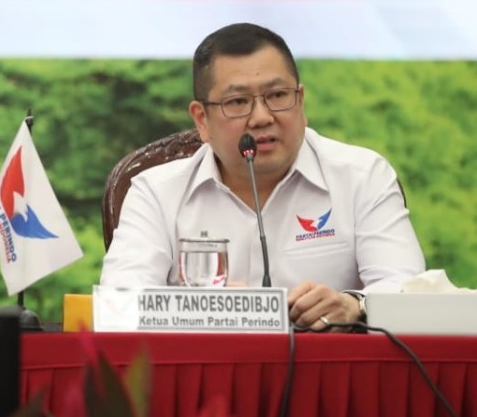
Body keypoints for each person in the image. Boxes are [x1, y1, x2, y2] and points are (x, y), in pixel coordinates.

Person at [100, 23, 425, 330]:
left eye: (278, 96)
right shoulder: (156, 192)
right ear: (202, 119)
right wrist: (208, 310)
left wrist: (354, 306)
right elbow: (118, 305)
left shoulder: (362, 176)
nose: (261, 117)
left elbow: (411, 294)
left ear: (301, 100)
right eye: (237, 102)